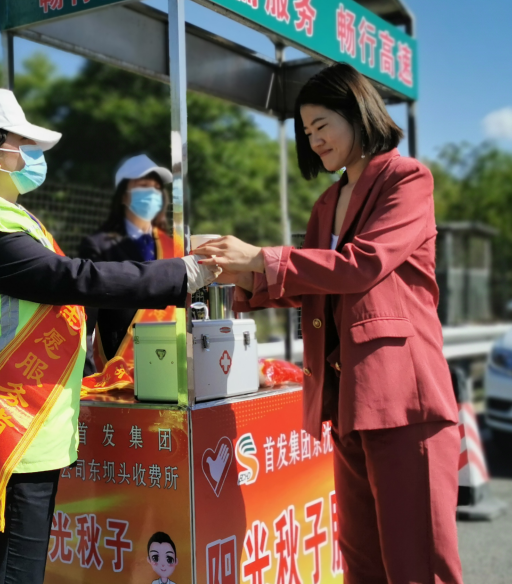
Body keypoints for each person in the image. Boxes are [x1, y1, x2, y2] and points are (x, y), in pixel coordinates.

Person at [0, 88, 217, 584]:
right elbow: (78, 279)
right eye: (22, 144)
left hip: (12, 427)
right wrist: (184, 274)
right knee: (12, 575)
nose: (32, 155)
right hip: (6, 434)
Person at [195, 63, 463, 584]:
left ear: (358, 115)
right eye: (307, 131)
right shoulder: (328, 201)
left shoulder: (406, 179)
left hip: (404, 399)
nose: (314, 140)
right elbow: (317, 285)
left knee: (417, 566)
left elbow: (361, 265)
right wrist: (242, 276)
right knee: (361, 561)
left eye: (322, 125)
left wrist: (261, 259)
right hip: (346, 400)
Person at [79, 154, 175, 377]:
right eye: (143, 186)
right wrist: (87, 375)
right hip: (118, 371)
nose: (152, 194)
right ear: (123, 196)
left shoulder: (173, 246)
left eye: (156, 188)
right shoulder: (99, 246)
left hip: (170, 362)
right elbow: (85, 322)